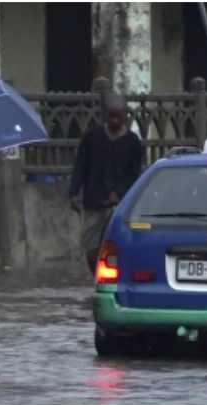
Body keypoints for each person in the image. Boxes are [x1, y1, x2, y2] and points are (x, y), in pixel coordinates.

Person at [68, 93, 143, 274]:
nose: (115, 120)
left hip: (120, 205)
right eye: (111, 116)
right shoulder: (92, 137)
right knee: (91, 249)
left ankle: (113, 280)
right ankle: (97, 280)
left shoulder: (133, 142)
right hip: (94, 201)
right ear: (104, 115)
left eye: (119, 115)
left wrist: (119, 192)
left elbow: (134, 175)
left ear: (125, 115)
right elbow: (80, 166)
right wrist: (73, 193)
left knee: (116, 248)